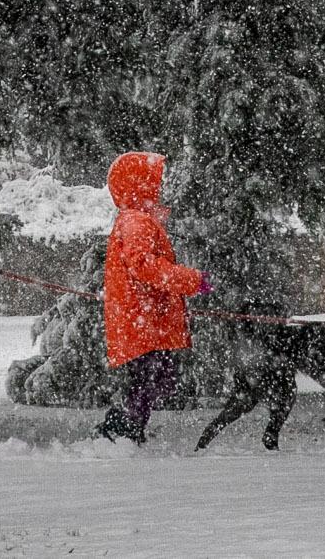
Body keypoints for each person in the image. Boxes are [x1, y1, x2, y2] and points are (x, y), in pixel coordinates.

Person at [96, 150, 210, 444]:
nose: (160, 187)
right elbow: (144, 265)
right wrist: (192, 280)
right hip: (143, 319)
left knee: (153, 380)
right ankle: (122, 431)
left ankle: (128, 430)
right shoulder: (136, 222)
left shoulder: (138, 219)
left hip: (144, 318)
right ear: (140, 184)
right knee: (150, 380)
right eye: (155, 180)